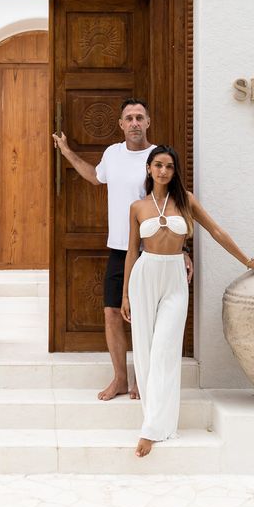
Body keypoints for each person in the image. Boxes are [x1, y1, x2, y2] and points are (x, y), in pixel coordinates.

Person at [121, 145, 254, 457]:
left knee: (164, 350)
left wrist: (246, 260)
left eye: (169, 167)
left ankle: (150, 431)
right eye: (158, 165)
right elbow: (132, 252)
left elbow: (215, 230)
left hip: (174, 276)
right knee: (146, 354)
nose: (164, 171)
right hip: (144, 276)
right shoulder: (137, 207)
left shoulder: (185, 201)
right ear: (149, 169)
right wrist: (124, 295)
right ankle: (155, 421)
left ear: (174, 172)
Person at [52, 99, 192, 401]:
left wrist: (183, 248)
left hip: (155, 252)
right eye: (129, 118)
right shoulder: (112, 154)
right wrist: (66, 152)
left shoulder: (157, 159)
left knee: (147, 319)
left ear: (148, 122)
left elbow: (175, 205)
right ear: (121, 124)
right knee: (112, 313)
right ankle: (119, 378)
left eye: (140, 117)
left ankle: (143, 380)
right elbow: (95, 177)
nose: (134, 123)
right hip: (120, 250)